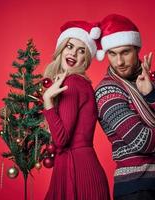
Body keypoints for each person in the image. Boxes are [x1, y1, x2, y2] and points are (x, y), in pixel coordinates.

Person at [95, 14, 155, 200]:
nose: (119, 62)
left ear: (137, 49)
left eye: (125, 52)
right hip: (134, 189)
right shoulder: (106, 90)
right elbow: (142, 140)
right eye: (112, 54)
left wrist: (152, 94)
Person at [42, 20, 110, 200]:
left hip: (78, 172)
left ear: (86, 59)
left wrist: (48, 100)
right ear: (61, 48)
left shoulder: (72, 84)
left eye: (81, 51)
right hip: (81, 167)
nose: (73, 53)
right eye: (70, 46)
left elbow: (61, 140)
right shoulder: (81, 83)